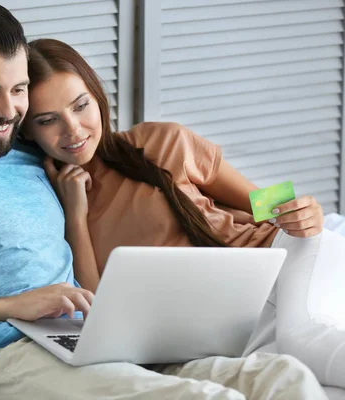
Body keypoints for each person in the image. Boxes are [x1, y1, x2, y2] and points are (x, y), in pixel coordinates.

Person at [0, 2, 327, 399]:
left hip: (100, 338)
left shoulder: (38, 160)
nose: (8, 111)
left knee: (286, 379)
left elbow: (256, 197)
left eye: (19, 90)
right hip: (3, 355)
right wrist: (9, 305)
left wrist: (293, 207)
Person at [20, 37, 345, 391]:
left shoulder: (162, 142)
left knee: (301, 339)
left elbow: (261, 203)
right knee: (296, 377)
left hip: (284, 259)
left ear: (97, 97)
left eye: (80, 105)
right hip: (231, 322)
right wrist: (76, 216)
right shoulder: (48, 203)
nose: (73, 129)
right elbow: (100, 312)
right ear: (27, 130)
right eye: (48, 120)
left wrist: (303, 209)